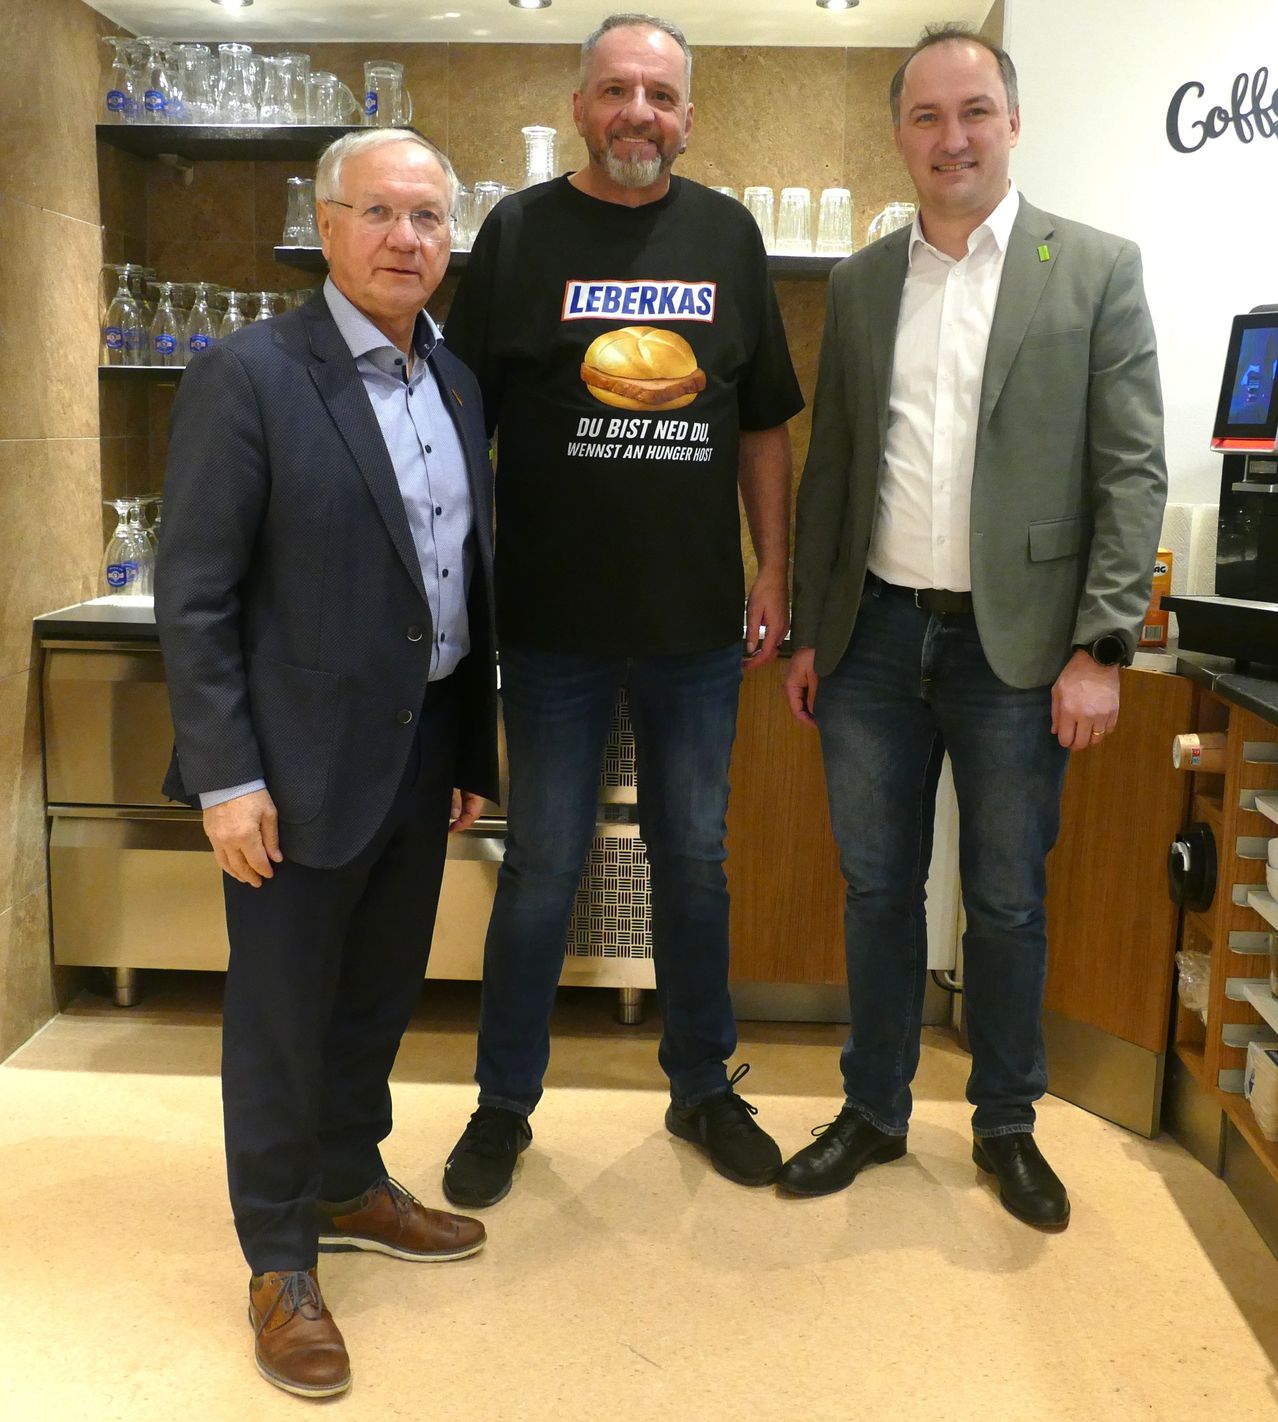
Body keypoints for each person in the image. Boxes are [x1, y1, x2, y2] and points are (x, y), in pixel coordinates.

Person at [780, 24, 1167, 1229]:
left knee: (1004, 899)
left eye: (975, 112)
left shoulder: (1093, 266)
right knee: (877, 888)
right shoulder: (861, 281)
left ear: (1012, 123)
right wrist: (806, 626)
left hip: (1023, 654)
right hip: (873, 643)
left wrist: (1101, 645)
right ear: (900, 134)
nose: (953, 137)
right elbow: (835, 466)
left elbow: (1132, 470)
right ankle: (876, 1112)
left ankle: (1006, 1124)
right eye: (927, 117)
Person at [439, 12, 804, 1207]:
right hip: (551, 627)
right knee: (541, 867)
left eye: (659, 94)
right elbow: (459, 426)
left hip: (697, 625)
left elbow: (760, 421)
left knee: (694, 863)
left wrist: (772, 570)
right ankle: (504, 1107)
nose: (637, 112)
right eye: (615, 91)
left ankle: (702, 1086)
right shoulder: (518, 234)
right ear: (581, 105)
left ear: (688, 114)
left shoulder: (730, 235)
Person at [155, 129, 498, 1397]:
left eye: (428, 218)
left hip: (419, 757)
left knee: (378, 997)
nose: (407, 239)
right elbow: (195, 596)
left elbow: (454, 588)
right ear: (329, 224)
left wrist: (467, 749)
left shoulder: (454, 380)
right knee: (282, 1018)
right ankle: (279, 1257)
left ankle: (351, 1181)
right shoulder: (248, 375)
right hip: (292, 772)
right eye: (381, 215)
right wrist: (226, 776)